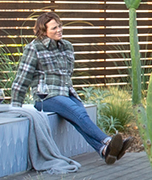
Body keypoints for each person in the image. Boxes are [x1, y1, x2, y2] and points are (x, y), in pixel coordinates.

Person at [9, 11, 130, 164]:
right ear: (43, 31)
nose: (59, 30)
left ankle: (105, 151)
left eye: (60, 26)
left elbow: (67, 75)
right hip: (46, 97)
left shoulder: (67, 46)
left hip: (66, 94)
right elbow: (22, 78)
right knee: (79, 113)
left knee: (79, 119)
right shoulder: (34, 48)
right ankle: (107, 141)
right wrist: (15, 107)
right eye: (53, 28)